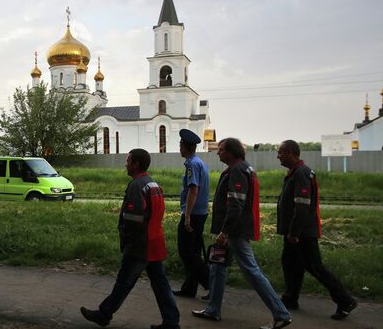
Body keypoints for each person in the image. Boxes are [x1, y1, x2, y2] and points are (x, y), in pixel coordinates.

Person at [192, 138, 292, 329]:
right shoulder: (242, 167)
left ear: (231, 152)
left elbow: (236, 205)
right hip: (236, 229)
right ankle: (213, 309)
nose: (218, 152)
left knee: (251, 270)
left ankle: (281, 313)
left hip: (235, 231)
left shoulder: (237, 170)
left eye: (221, 150)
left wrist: (225, 232)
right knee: (217, 267)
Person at [80, 148, 180, 329]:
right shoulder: (153, 184)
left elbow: (133, 220)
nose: (125, 164)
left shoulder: (136, 186)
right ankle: (171, 322)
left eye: (128, 161)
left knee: (124, 282)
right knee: (161, 285)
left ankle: (104, 314)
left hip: (140, 246)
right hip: (155, 243)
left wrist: (127, 241)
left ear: (136, 164)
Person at [276, 140, 357, 320]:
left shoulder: (301, 173)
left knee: (315, 267)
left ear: (290, 153)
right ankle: (290, 298)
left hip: (302, 232)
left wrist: (295, 233)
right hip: (294, 231)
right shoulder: (295, 172)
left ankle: (345, 300)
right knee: (291, 264)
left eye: (280, 152)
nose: (278, 156)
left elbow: (303, 206)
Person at [173, 129, 210, 298]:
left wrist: (187, 216)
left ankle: (211, 284)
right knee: (193, 251)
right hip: (200, 213)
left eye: (180, 145)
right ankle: (189, 288)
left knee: (186, 251)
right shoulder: (198, 162)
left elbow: (193, 190)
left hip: (193, 214)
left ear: (185, 147)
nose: (179, 148)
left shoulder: (192, 165)